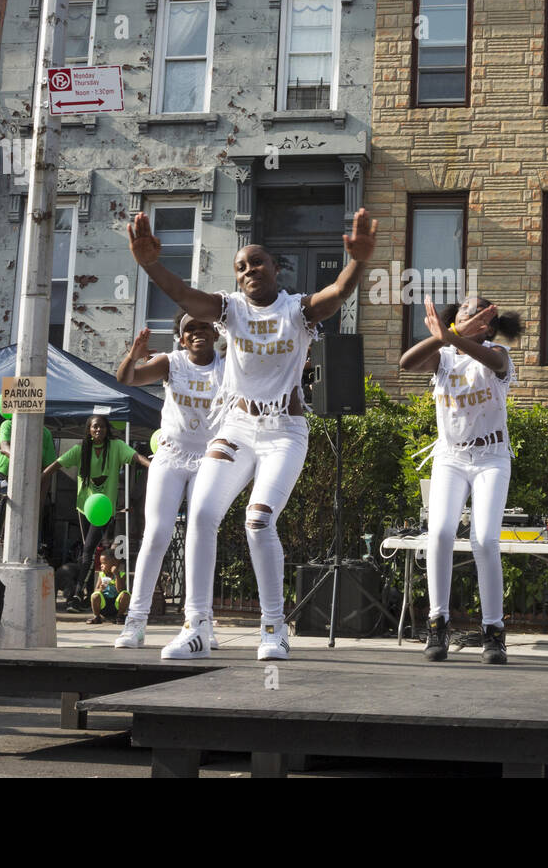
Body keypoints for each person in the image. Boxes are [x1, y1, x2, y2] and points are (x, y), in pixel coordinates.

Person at [127, 207, 377, 661]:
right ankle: (197, 627)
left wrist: (358, 260)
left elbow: (339, 292)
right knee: (201, 516)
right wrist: (149, 265)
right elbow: (185, 294)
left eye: (257, 262)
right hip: (238, 427)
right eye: (241, 266)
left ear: (276, 268)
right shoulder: (230, 310)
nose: (248, 271)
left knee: (258, 521)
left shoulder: (297, 310)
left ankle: (274, 628)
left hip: (284, 431)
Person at [401, 295, 522, 664]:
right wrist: (446, 336)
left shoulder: (497, 354)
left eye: (486, 314)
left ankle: (493, 630)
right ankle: (438, 623)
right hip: (451, 457)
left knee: (484, 540)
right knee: (438, 533)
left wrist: (452, 334)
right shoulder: (444, 357)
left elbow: (492, 359)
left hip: (492, 457)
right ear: (457, 317)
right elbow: (407, 363)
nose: (477, 315)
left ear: (490, 326)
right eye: (470, 309)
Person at [111, 313, 224, 649]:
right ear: (180, 337)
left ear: (215, 333)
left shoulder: (228, 366)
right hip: (172, 456)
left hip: (210, 459)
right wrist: (134, 353)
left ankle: (201, 622)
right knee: (157, 533)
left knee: (201, 534)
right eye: (190, 328)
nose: (197, 332)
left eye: (204, 326)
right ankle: (135, 622)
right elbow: (126, 379)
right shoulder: (170, 363)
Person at [42, 415, 150, 609]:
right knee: (86, 553)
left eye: (101, 427)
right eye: (94, 427)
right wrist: (38, 478)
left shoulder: (116, 447)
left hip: (104, 510)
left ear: (107, 429)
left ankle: (76, 595)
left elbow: (135, 457)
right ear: (89, 430)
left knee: (88, 550)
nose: (98, 430)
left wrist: (153, 466)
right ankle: (81, 593)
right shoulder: (80, 449)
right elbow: (57, 464)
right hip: (84, 507)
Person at [89, 551, 130, 625]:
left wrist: (116, 575)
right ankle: (97, 616)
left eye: (104, 563)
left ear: (114, 564)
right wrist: (101, 589)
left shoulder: (121, 575)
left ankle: (119, 616)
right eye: (101, 563)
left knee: (125, 594)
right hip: (104, 605)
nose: (101, 565)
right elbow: (96, 590)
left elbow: (120, 590)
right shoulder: (101, 575)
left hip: (116, 606)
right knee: (95, 595)